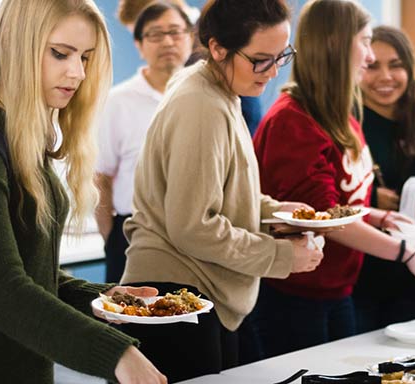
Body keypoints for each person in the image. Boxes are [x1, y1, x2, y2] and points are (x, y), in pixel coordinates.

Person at [0, 1, 166, 383]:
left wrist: (112, 300)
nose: (77, 73)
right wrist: (117, 353)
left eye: (85, 57)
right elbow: (5, 293)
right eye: (60, 54)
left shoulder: (20, 144)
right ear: (17, 46)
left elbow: (32, 275)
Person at [119, 0, 324, 381]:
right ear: (217, 48)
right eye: (261, 59)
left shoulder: (219, 88)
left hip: (198, 290)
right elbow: (193, 226)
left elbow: (222, 191)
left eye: (282, 56)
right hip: (178, 295)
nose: (274, 71)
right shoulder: (201, 104)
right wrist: (282, 257)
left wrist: (276, 212)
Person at [250, 0, 415, 359]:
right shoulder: (293, 120)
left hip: (338, 290)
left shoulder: (342, 115)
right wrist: (406, 254)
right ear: (337, 45)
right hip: (296, 296)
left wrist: (380, 217)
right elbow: (323, 218)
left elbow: (344, 204)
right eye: (365, 41)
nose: (369, 55)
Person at [352, 26, 415, 333]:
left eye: (396, 65)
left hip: (412, 276)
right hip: (360, 277)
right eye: (372, 66)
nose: (385, 77)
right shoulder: (348, 124)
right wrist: (372, 199)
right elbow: (329, 201)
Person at [95, 1, 193, 283]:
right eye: (154, 34)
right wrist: (112, 237)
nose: (167, 41)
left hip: (193, 238)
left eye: (175, 32)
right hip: (131, 235)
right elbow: (99, 177)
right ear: (139, 44)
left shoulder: (207, 98)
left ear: (189, 37)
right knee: (130, 324)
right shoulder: (117, 102)